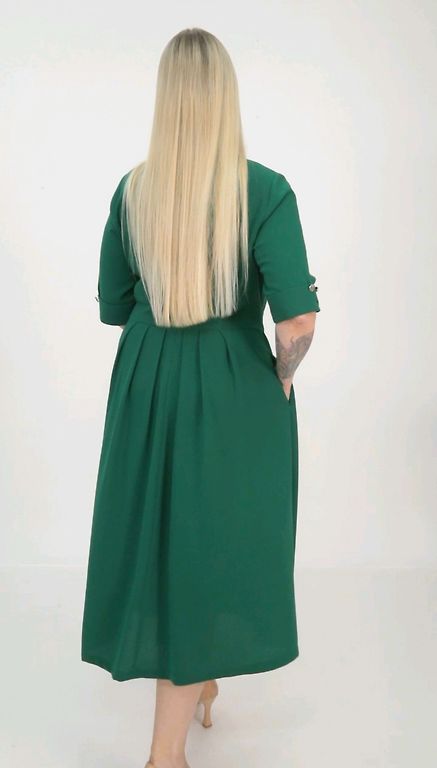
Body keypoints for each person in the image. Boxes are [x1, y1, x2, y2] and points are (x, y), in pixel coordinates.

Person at [81, 26, 320, 768]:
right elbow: (298, 321)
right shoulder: (265, 190)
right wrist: (283, 373)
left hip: (148, 379)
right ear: (224, 99)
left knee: (164, 539)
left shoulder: (134, 190)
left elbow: (114, 305)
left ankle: (200, 679)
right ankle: (165, 755)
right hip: (231, 384)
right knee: (217, 536)